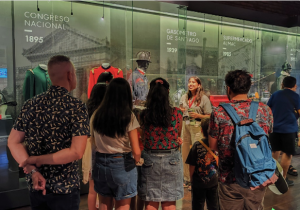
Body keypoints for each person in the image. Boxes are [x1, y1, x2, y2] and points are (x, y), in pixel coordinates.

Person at [7, 55, 90, 210]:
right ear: (70, 75)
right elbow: (76, 152)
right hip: (64, 189)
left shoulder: (30, 104)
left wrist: (33, 169)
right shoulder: (76, 107)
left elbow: (13, 141)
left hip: (36, 185)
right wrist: (36, 159)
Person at [209, 70, 273, 210]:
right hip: (258, 174)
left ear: (228, 88)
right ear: (249, 87)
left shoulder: (219, 112)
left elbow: (213, 145)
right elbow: (267, 137)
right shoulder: (265, 110)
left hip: (229, 177)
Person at [91, 78, 141, 210]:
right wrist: (136, 161)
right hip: (122, 163)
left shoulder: (97, 114)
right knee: (123, 205)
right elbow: (136, 151)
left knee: (104, 203)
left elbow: (92, 142)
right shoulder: (128, 116)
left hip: (100, 162)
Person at [139, 78, 184, 210]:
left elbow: (143, 137)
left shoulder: (143, 114)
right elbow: (177, 135)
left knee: (151, 201)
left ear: (150, 93)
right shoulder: (177, 113)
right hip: (172, 160)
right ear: (168, 92)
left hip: (149, 160)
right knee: (169, 202)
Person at [83, 71, 114, 210]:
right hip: (102, 148)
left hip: (88, 148)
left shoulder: (87, 108)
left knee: (92, 188)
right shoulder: (106, 111)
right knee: (105, 189)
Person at [180, 76, 212, 189]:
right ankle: (186, 179)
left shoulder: (204, 98)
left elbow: (209, 115)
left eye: (193, 82)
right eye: (189, 82)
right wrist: (181, 111)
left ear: (199, 85)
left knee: (197, 152)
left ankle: (196, 179)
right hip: (185, 125)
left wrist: (199, 115)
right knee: (184, 152)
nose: (190, 84)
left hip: (197, 126)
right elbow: (181, 110)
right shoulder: (184, 97)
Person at [267, 76, 300, 186]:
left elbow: (268, 109)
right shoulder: (295, 96)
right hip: (289, 129)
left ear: (282, 84)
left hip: (274, 128)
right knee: (287, 154)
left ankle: (272, 177)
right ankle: (283, 179)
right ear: (294, 86)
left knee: (274, 152)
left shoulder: (275, 94)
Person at [186, 117, 219, 210]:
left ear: (201, 130)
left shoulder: (196, 145)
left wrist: (191, 178)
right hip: (214, 182)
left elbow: (192, 165)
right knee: (214, 206)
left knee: (197, 205)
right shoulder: (218, 144)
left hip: (198, 182)